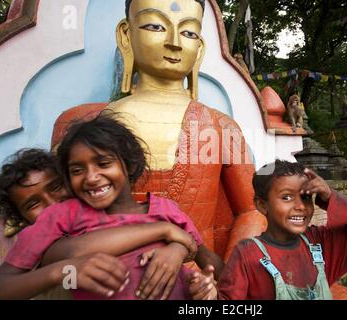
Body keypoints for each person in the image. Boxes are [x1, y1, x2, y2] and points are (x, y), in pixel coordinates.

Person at [52, 0, 267, 262]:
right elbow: (53, 214)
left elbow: (251, 212)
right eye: (155, 26)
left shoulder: (221, 127)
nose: (174, 42)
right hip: (108, 280)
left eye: (189, 32)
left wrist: (231, 280)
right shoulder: (80, 124)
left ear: (199, 49)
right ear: (126, 35)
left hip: (197, 284)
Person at [0, 114, 215, 300]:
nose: (91, 177)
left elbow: (205, 261)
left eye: (103, 164)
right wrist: (166, 231)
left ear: (129, 164)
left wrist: (200, 280)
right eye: (77, 170)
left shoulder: (165, 209)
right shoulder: (62, 219)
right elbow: (74, 252)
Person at [189, 159, 347, 300]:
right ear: (262, 205)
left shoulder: (319, 244)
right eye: (286, 197)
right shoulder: (247, 254)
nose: (300, 206)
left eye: (306, 196)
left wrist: (329, 195)